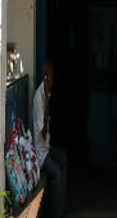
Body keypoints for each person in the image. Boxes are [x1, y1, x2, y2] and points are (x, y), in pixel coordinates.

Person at [33, 59, 67, 218]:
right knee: (57, 174)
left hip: (46, 147)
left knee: (63, 158)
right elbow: (44, 133)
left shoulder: (46, 93)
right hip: (40, 153)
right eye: (50, 77)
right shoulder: (39, 98)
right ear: (45, 77)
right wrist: (46, 101)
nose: (52, 80)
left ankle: (61, 206)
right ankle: (56, 213)